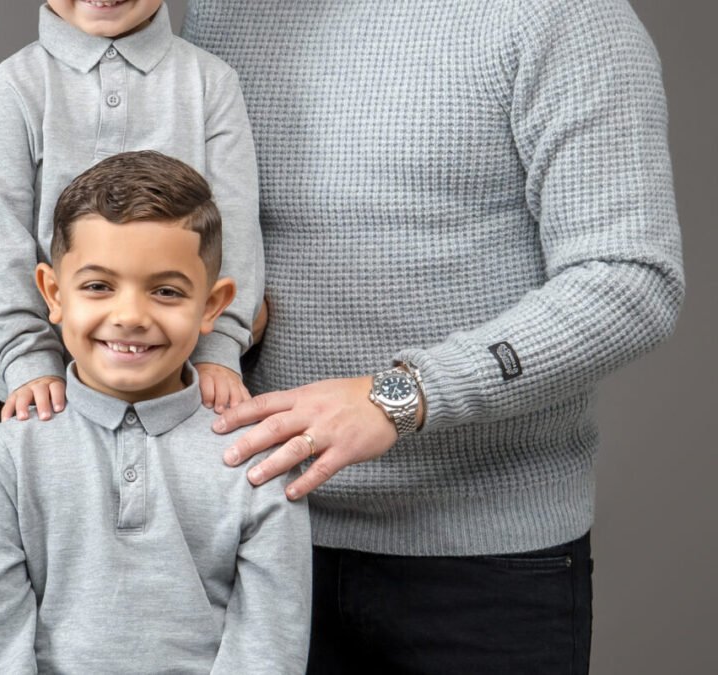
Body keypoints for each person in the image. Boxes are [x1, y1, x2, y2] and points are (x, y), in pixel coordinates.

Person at [183, 0, 685, 672]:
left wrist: (402, 394)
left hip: (481, 572)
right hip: (253, 543)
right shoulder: (223, 12)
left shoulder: (564, 16)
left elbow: (630, 280)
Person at [0, 151, 311, 674]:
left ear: (213, 305)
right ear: (53, 293)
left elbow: (269, 648)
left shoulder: (258, 460)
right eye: (98, 286)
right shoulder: (9, 457)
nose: (129, 316)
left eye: (166, 291)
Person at [0, 0, 264, 424]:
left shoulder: (209, 83)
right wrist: (28, 359)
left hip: (184, 384)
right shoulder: (15, 85)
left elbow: (235, 232)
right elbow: (4, 242)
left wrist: (219, 351)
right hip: (59, 394)